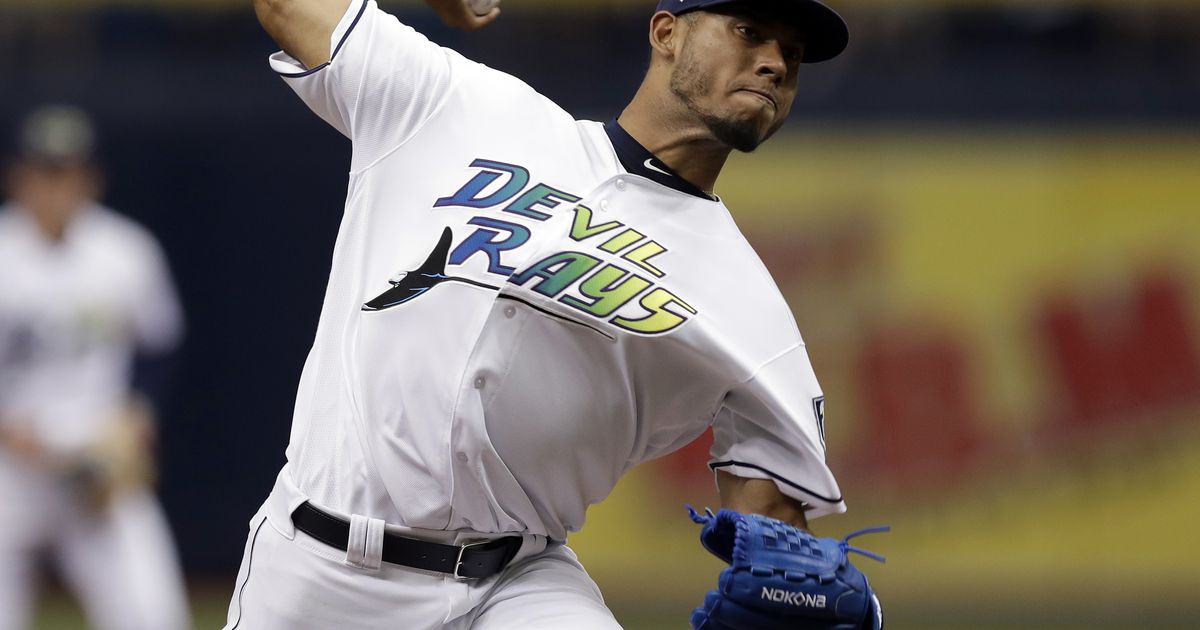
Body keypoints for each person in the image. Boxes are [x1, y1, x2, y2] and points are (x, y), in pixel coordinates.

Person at [230, 1, 872, 628]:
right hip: (317, 564)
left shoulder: (750, 307)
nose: (773, 64)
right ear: (667, 32)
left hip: (517, 586)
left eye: (791, 53)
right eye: (749, 31)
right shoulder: (459, 104)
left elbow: (775, 532)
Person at [0, 106, 191, 630]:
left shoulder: (125, 252)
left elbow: (159, 348)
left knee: (153, 616)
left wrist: (137, 413)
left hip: (98, 464)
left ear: (90, 178)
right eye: (45, 171)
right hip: (9, 469)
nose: (56, 185)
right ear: (20, 177)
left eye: (68, 171)